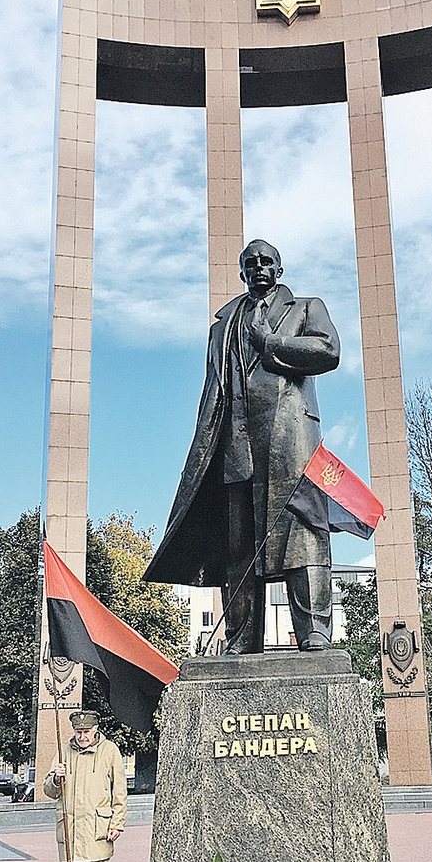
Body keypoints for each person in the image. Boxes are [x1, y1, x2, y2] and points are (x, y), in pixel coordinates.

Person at [145, 239, 341, 655]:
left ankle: (314, 633)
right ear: (241, 272)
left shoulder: (306, 308)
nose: (258, 267)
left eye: (266, 261)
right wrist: (203, 450)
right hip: (236, 442)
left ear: (280, 269)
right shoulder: (222, 327)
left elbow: (328, 350)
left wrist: (271, 344)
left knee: (301, 533)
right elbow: (211, 391)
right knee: (238, 544)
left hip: (289, 440)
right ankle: (241, 639)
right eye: (250, 263)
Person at [43, 710, 127, 862]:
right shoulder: (63, 751)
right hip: (70, 828)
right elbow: (49, 791)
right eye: (78, 732)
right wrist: (56, 779)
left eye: (86, 732)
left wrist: (117, 822)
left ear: (95, 729)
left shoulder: (109, 750)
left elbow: (119, 790)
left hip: (98, 827)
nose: (82, 737)